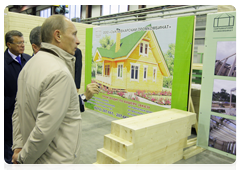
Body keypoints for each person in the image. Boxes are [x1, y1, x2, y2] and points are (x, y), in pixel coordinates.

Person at [11, 14, 99, 170]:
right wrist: (23, 160)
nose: (78, 40)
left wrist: (19, 147)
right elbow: (44, 131)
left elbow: (18, 110)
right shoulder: (59, 73)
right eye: (74, 34)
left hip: (33, 158)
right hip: (52, 164)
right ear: (58, 35)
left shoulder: (29, 65)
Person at [4, 30, 31, 170]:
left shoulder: (28, 59)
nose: (22, 45)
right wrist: (12, 105)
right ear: (9, 44)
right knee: (9, 151)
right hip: (8, 117)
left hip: (27, 113)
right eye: (19, 43)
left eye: (23, 42)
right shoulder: (3, 65)